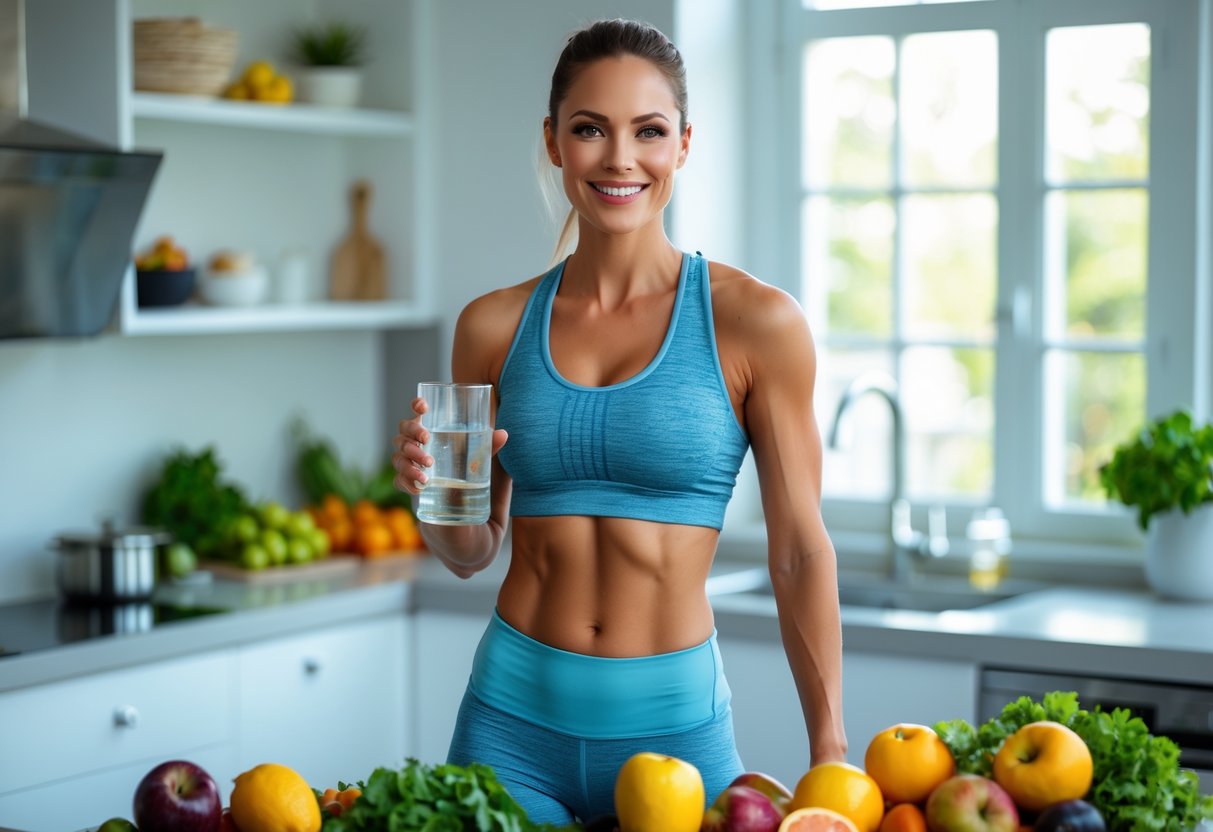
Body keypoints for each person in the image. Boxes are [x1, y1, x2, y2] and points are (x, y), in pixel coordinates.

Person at [391, 17, 846, 826]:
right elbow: (471, 551)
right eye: (590, 129)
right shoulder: (491, 327)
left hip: (677, 740)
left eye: (648, 131)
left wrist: (831, 752)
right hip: (507, 729)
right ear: (555, 142)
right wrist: (432, 499)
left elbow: (800, 549)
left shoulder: (755, 325)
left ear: (682, 145)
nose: (619, 158)